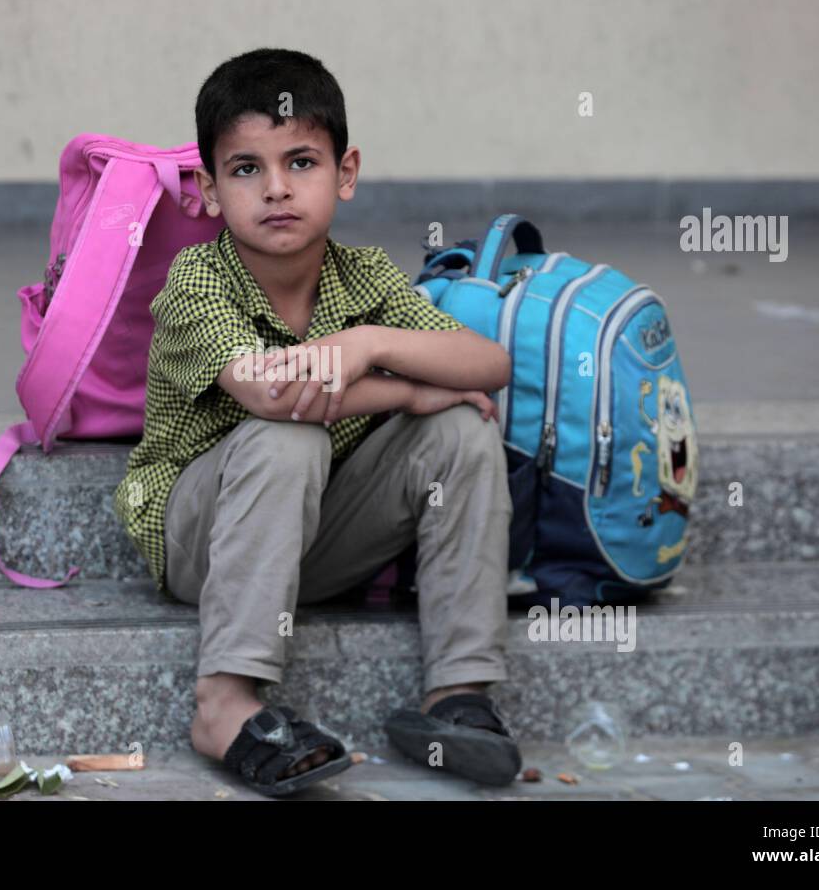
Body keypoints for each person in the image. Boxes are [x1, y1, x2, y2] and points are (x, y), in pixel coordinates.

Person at [112, 48, 520, 796]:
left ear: (347, 173)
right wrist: (402, 392)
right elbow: (271, 395)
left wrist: (369, 345)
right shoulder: (198, 282)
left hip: (310, 539)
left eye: (301, 162)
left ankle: (459, 696)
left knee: (462, 431)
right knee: (287, 434)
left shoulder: (364, 278)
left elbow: (488, 363)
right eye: (245, 169)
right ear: (207, 188)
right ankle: (226, 703)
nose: (276, 189)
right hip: (200, 542)